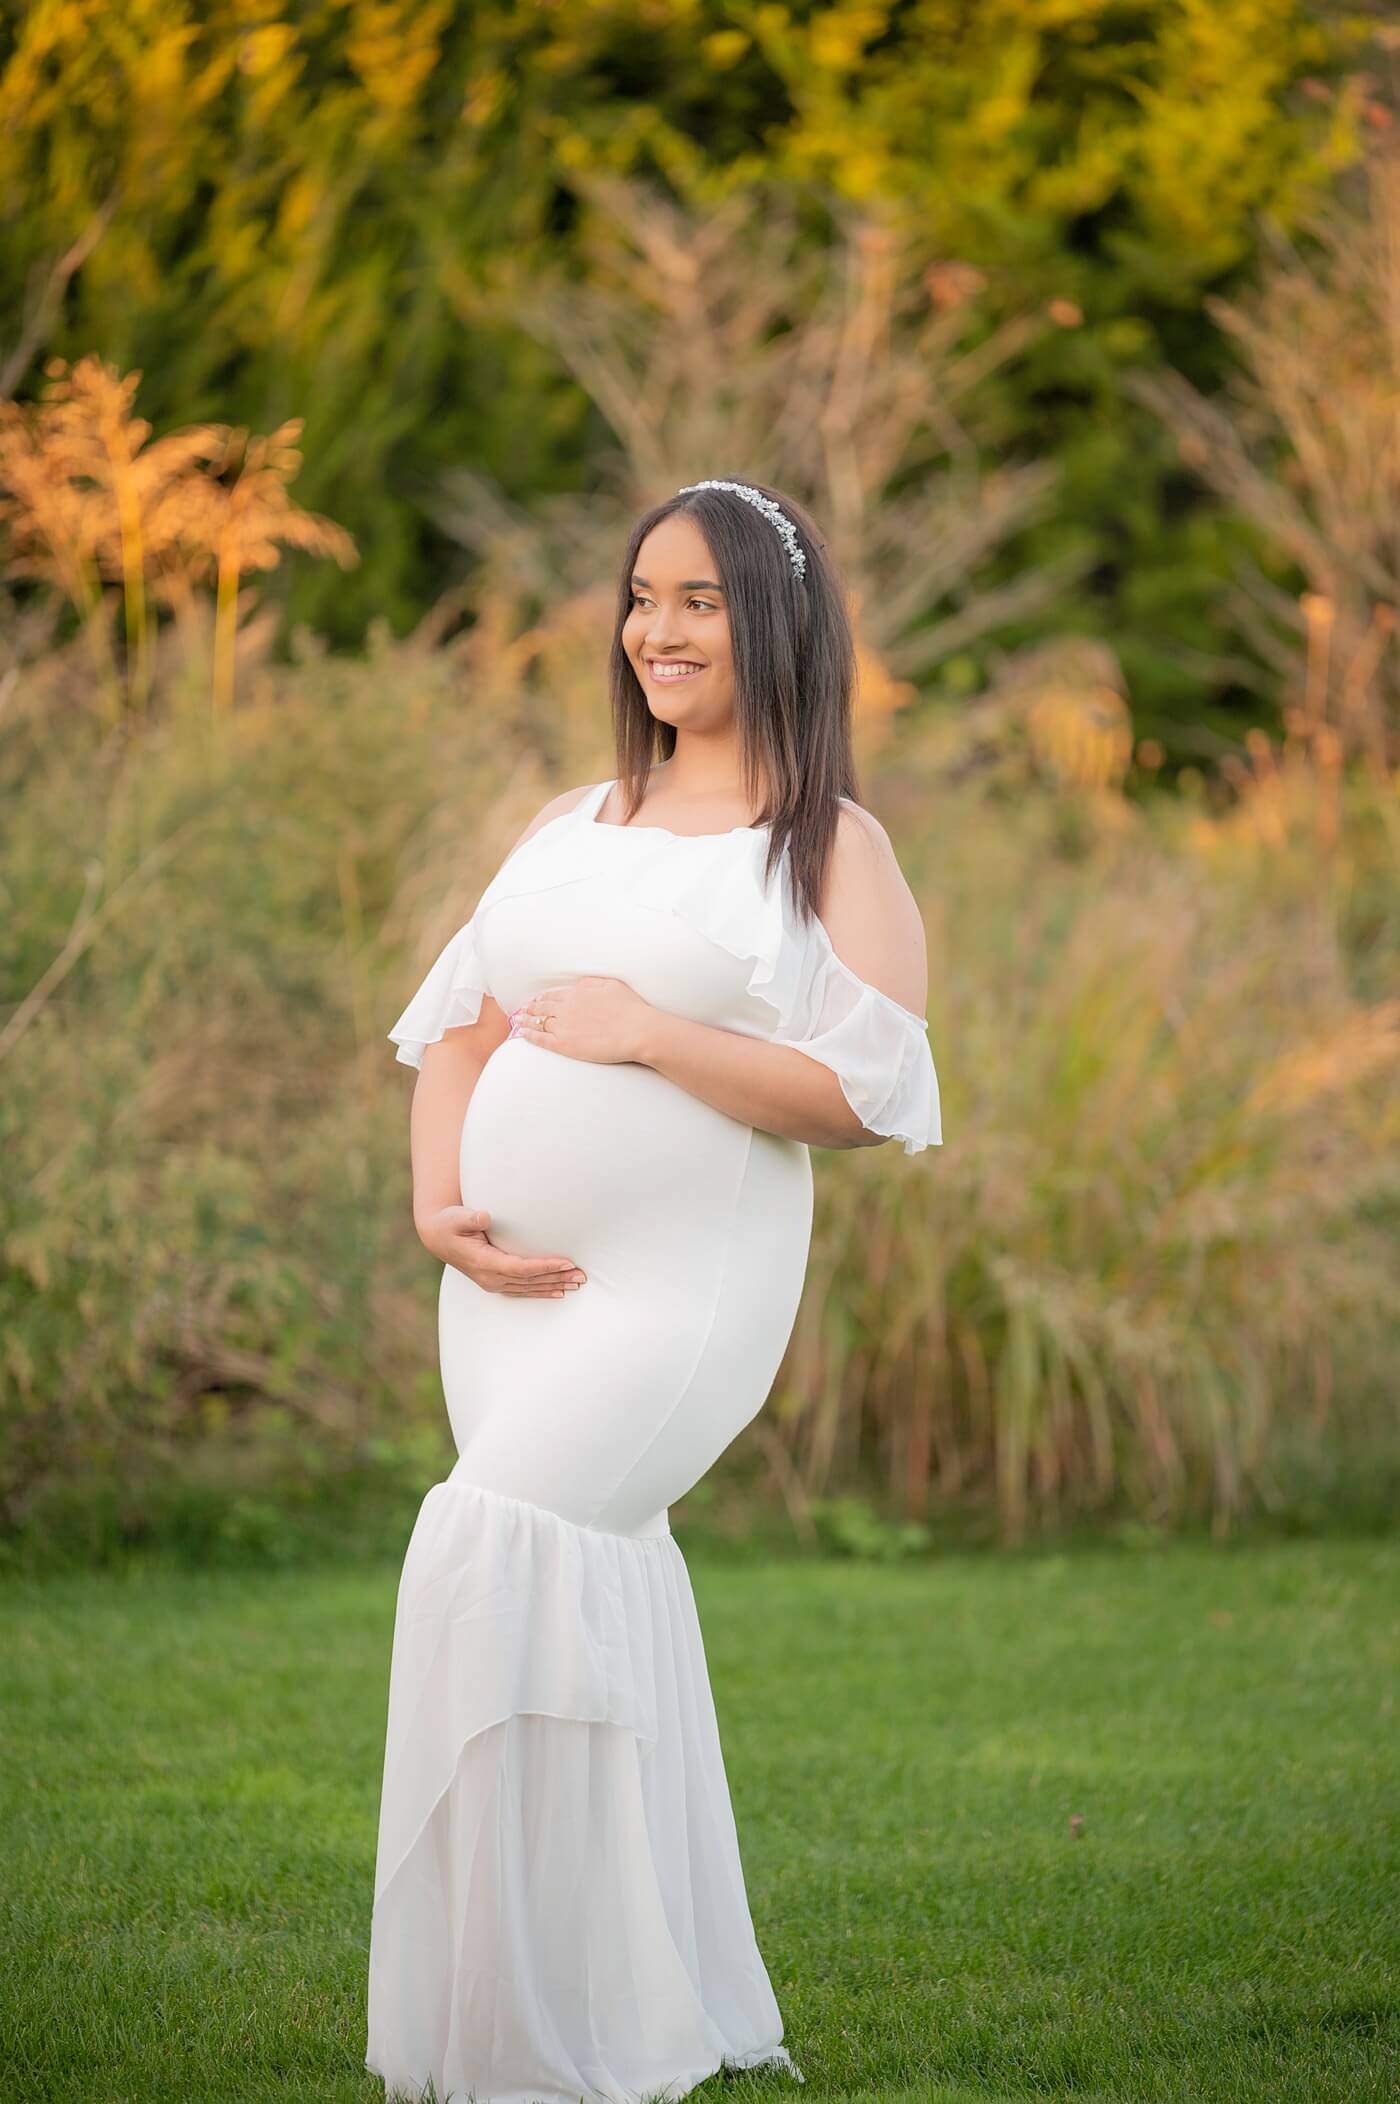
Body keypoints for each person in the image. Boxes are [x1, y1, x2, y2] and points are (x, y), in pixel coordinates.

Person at [365, 477, 942, 2104]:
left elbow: (870, 1094)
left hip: (684, 1292)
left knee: (486, 1542)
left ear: (773, 619)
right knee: (575, 1593)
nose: (657, 630)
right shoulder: (569, 823)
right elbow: (460, 1034)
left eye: (696, 599)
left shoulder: (832, 847)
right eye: (641, 597)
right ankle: (583, 2009)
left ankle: (540, 2028)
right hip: (506, 1290)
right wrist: (437, 1205)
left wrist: (647, 1035)